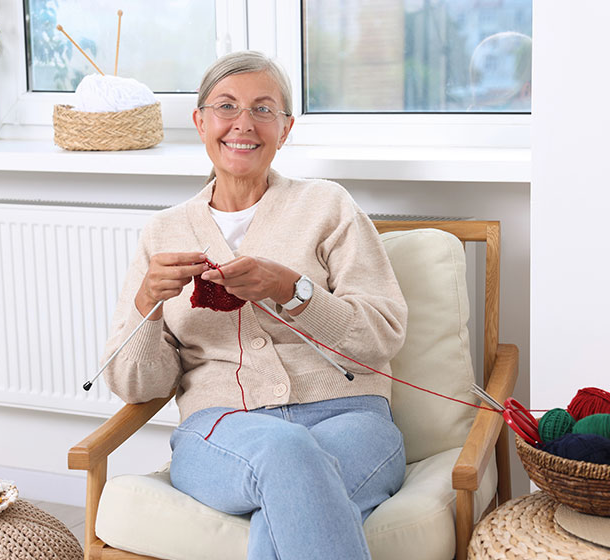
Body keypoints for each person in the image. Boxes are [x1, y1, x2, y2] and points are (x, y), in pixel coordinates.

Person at [102, 50, 408, 560]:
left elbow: (383, 334)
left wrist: (294, 291)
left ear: (285, 129)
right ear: (199, 122)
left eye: (264, 109)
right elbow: (138, 385)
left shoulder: (327, 206)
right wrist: (146, 306)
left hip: (351, 419)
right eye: (226, 106)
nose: (244, 124)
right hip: (221, 429)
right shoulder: (164, 231)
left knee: (286, 504)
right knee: (286, 455)